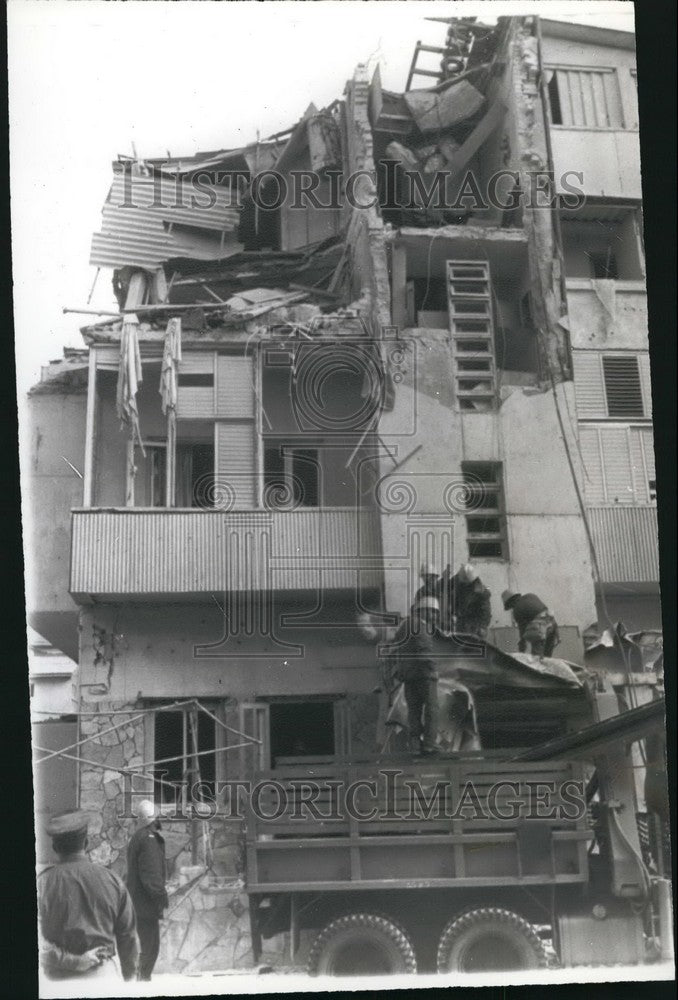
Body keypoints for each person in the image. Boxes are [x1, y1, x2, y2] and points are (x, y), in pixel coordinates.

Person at [38, 810, 139, 981]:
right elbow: (128, 937)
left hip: (56, 981)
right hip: (103, 978)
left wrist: (72, 961)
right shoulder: (113, 881)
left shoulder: (42, 884)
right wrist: (129, 979)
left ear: (55, 847)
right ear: (86, 843)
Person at [126, 799, 168, 981]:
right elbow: (150, 874)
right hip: (145, 905)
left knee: (146, 947)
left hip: (138, 903)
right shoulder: (149, 840)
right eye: (157, 817)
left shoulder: (138, 837)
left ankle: (140, 980)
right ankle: (141, 983)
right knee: (150, 949)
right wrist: (161, 896)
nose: (159, 820)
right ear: (151, 819)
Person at [393, 596, 441, 754]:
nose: (435, 616)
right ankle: (429, 744)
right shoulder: (419, 625)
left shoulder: (404, 626)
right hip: (424, 674)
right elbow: (424, 650)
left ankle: (415, 745)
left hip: (409, 676)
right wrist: (433, 669)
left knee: (414, 710)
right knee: (432, 708)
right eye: (433, 612)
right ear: (423, 611)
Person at [502, 589, 560, 657]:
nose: (512, 608)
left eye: (510, 606)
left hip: (539, 628)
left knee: (536, 658)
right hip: (552, 626)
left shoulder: (517, 610)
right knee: (547, 657)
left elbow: (522, 632)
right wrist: (558, 635)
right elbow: (547, 612)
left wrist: (521, 652)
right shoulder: (531, 596)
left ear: (510, 602)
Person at [441, 563, 492, 637]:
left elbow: (485, 613)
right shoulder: (459, 579)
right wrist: (444, 579)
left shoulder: (481, 592)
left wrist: (482, 627)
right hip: (460, 622)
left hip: (474, 624)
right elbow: (446, 587)